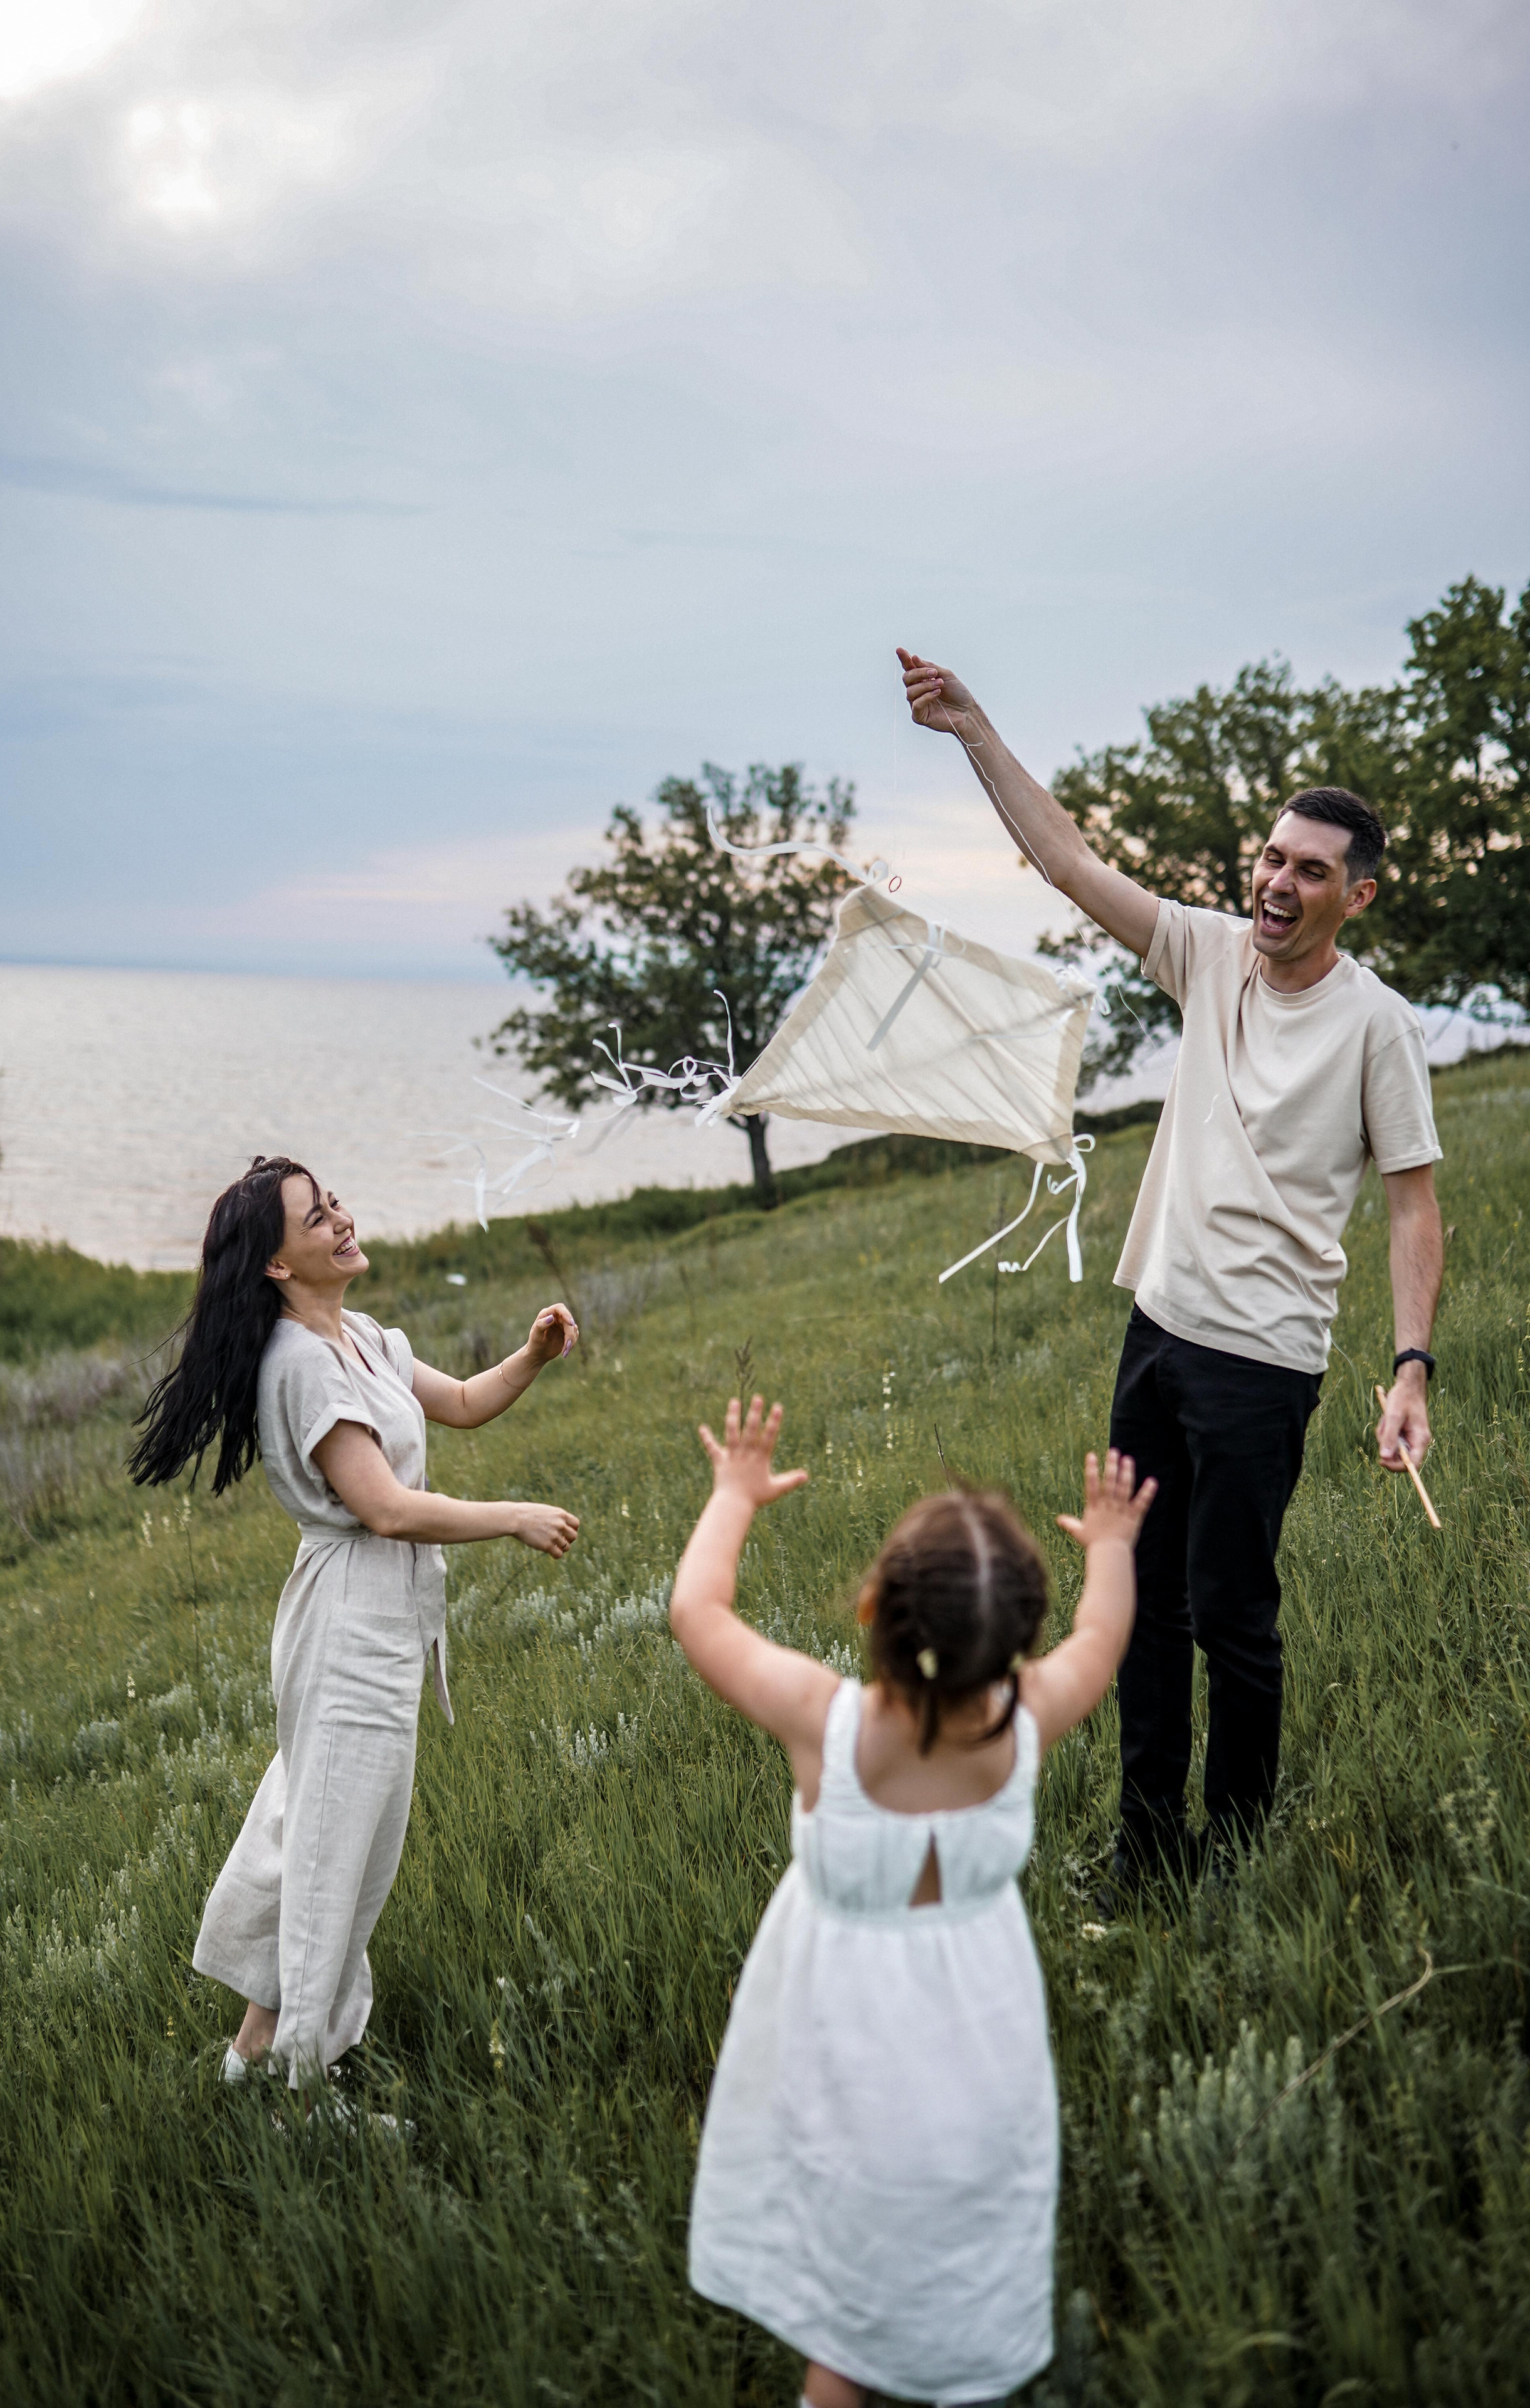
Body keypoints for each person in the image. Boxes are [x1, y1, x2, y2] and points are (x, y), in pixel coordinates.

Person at [897, 648, 1445, 1889]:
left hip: (1263, 1360)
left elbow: (1412, 1208)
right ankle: (1145, 1849)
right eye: (1272, 858)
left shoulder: (1379, 1028)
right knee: (1138, 1601)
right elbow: (1066, 862)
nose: (1277, 883)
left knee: (1231, 1617)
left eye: (1310, 871)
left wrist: (1410, 1366)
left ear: (1355, 897)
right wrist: (971, 725)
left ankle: (1234, 1855)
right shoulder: (1203, 953)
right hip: (1155, 1334)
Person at [673, 1394, 1155, 2408]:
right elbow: (1105, 1636)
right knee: (962, 2221)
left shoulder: (826, 1725)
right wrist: (1112, 1544)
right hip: (979, 2040)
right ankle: (957, 2364)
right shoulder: (1026, 1719)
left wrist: (735, 1495)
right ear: (1021, 1636)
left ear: (872, 1611)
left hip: (840, 2043)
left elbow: (699, 1614)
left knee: (849, 2237)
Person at [130, 1153, 580, 2091]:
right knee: (334, 1864)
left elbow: (463, 1404)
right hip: (346, 1628)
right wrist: (512, 1517)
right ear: (278, 1265)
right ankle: (301, 2094)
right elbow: (384, 1508)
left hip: (378, 1619)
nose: (340, 1220)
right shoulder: (299, 1365)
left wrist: (532, 1356)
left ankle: (250, 2060)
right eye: (316, 1218)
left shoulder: (362, 1337)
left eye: (333, 1202)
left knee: (323, 1843)